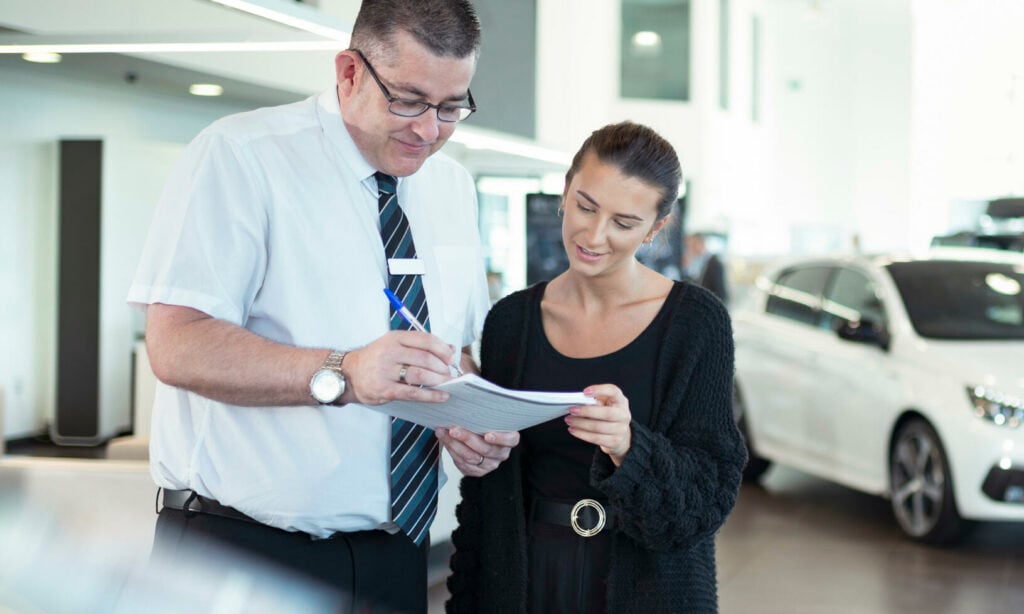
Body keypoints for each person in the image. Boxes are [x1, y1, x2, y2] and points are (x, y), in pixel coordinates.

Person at [127, 1, 518, 611]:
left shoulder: (451, 186)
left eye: (450, 108)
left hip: (394, 553)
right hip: (243, 552)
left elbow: (452, 350)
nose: (428, 130)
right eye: (409, 100)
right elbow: (176, 343)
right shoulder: (242, 155)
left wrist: (465, 416)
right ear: (348, 72)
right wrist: (344, 371)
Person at [446, 122, 747, 613]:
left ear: (655, 228)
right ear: (565, 190)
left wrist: (629, 445)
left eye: (624, 223)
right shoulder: (512, 321)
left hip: (646, 585)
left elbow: (708, 496)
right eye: (585, 206)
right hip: (523, 578)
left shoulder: (695, 323)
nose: (594, 234)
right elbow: (485, 501)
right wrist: (475, 446)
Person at [684, 232, 729, 304]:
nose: (690, 248)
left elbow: (721, 292)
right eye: (688, 246)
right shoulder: (694, 262)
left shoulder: (715, 264)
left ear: (700, 244)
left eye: (692, 245)